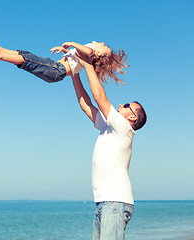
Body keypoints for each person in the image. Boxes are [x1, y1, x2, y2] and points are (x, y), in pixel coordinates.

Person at [71, 53, 147, 239]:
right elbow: (85, 104)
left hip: (115, 202)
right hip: (104, 202)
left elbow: (99, 97)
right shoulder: (108, 127)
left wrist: (88, 64)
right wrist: (74, 72)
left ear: (132, 118)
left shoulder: (124, 129)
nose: (121, 104)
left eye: (127, 105)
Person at [0, 33, 128, 84]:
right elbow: (75, 57)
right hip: (56, 69)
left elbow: (87, 50)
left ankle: (1, 55)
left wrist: (73, 43)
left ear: (98, 54)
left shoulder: (90, 53)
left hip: (57, 70)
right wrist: (65, 50)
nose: (103, 43)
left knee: (30, 61)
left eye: (105, 47)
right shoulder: (83, 56)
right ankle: (1, 51)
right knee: (29, 57)